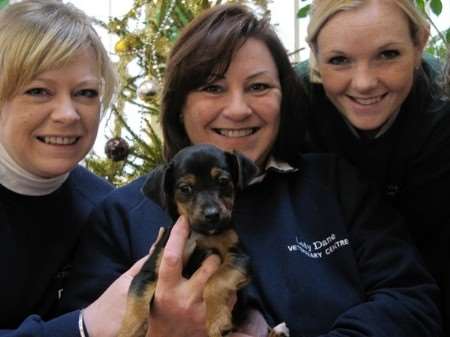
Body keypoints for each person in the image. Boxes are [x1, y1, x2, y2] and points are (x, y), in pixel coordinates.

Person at [61, 3, 442, 337]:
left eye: (258, 86)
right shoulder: (122, 215)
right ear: (179, 103)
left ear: (284, 97)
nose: (238, 109)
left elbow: (411, 301)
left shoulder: (333, 183)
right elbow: (83, 324)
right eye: (212, 87)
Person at [297, 0, 450, 332]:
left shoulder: (442, 112)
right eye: (339, 60)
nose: (364, 82)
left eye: (388, 55)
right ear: (315, 54)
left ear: (420, 42)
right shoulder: (290, 108)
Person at [0, 1, 146, 336]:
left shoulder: (108, 211)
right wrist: (81, 328)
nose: (68, 114)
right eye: (38, 91)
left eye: (85, 93)